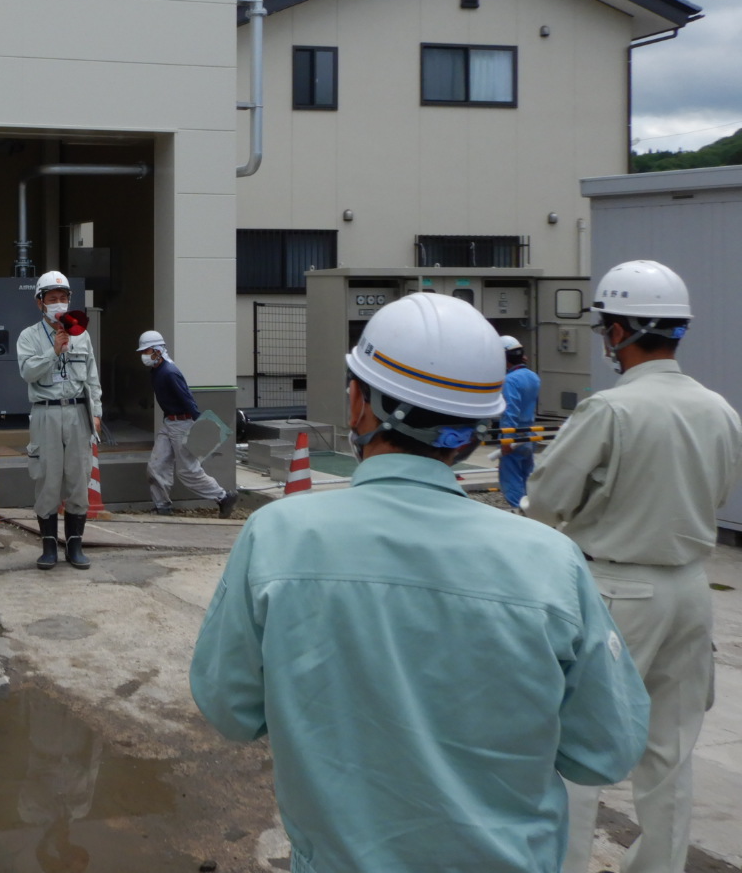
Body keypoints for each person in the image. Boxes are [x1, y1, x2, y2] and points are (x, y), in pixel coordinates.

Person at [191, 292, 649, 873]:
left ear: (359, 404)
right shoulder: (550, 563)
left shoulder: (279, 537)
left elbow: (229, 708)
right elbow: (605, 751)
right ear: (478, 428)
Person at [526, 260, 742, 873]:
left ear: (619, 331)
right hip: (691, 588)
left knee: (579, 746)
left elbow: (546, 500)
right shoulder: (719, 410)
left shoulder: (610, 411)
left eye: (606, 330)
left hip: (618, 587)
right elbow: (720, 492)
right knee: (670, 755)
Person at [16, 271, 101, 571]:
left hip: (78, 411)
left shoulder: (82, 334)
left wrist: (97, 412)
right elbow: (27, 373)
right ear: (39, 302)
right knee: (48, 479)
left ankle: (75, 545)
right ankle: (49, 546)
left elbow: (92, 376)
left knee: (79, 478)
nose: (59, 304)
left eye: (63, 299)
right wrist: (53, 353)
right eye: (52, 299)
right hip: (46, 412)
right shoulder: (28, 336)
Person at [136, 329, 237, 519]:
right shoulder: (157, 371)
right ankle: (162, 506)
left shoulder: (169, 372)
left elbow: (187, 399)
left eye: (147, 351)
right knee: (156, 466)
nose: (144, 355)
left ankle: (223, 497)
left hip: (182, 424)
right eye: (143, 352)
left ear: (158, 350)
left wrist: (200, 426)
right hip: (170, 422)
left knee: (188, 472)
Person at [497, 335, 541, 508]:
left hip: (513, 436)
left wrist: (507, 439)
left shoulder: (510, 381)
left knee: (511, 477)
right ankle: (532, 509)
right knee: (527, 475)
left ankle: (518, 510)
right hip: (528, 433)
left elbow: (510, 411)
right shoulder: (533, 377)